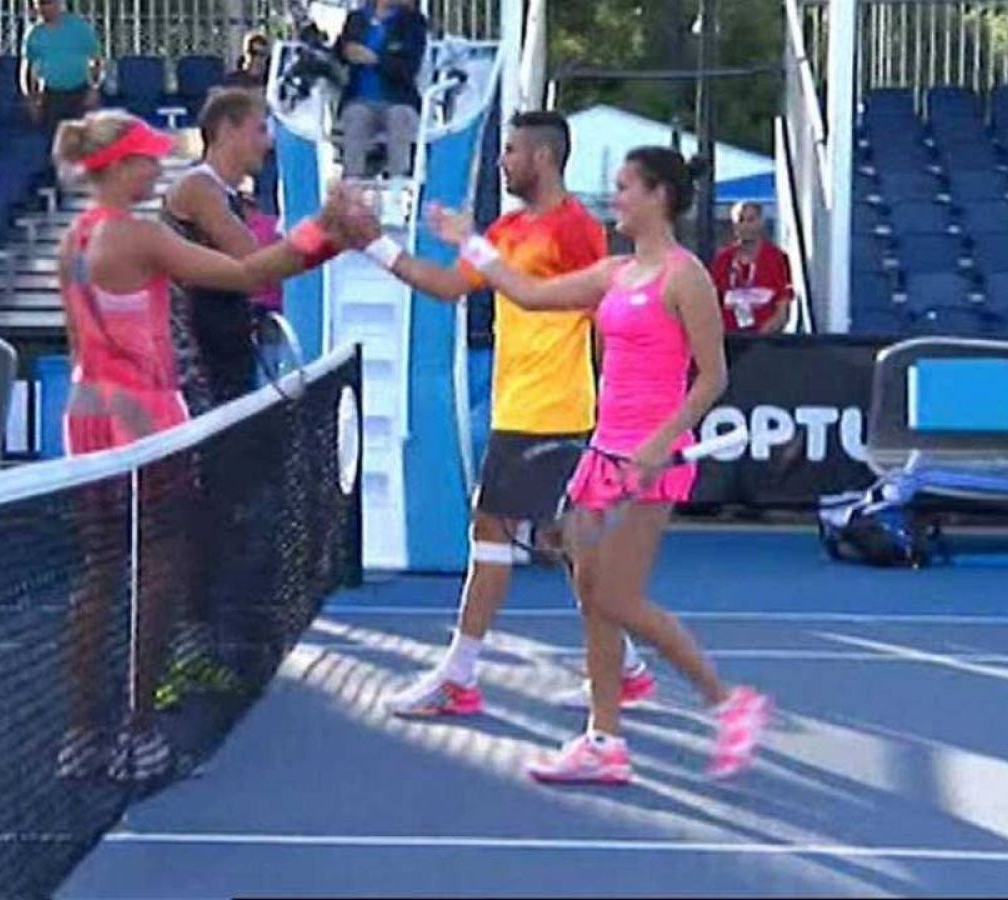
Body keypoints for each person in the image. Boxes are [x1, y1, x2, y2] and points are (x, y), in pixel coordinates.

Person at [425, 146, 771, 784]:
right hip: (603, 455)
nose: (615, 199)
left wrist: (663, 440)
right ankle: (603, 740)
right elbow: (527, 293)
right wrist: (469, 242)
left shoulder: (685, 275)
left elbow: (713, 376)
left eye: (624, 187)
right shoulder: (614, 272)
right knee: (591, 597)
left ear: (658, 196)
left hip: (650, 463)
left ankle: (729, 702)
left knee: (617, 596)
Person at [50, 109, 362, 782]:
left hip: (84, 417)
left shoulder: (73, 239)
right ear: (121, 167)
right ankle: (136, 731)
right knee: (159, 572)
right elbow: (251, 275)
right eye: (145, 160)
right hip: (145, 419)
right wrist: (328, 234)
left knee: (100, 574)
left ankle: (79, 735)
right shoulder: (140, 237)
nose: (156, 169)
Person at [353, 110, 657, 717]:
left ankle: (459, 677)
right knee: (566, 543)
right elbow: (447, 286)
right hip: (518, 405)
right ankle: (624, 667)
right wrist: (371, 243)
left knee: (490, 529)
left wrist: (616, 409)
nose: (503, 160)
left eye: (512, 150)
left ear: (542, 159)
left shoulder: (575, 230)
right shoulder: (510, 226)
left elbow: (589, 316)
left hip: (551, 412)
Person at [161, 87, 281, 412]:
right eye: (259, 129)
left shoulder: (229, 197)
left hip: (226, 353)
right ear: (228, 129)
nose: (268, 142)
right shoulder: (199, 188)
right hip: (197, 364)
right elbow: (254, 262)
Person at [335, 0, 426, 178]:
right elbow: (337, 54)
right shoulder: (357, 19)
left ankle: (398, 185)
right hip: (359, 98)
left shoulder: (413, 22)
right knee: (356, 116)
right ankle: (352, 184)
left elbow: (409, 67)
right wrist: (345, 52)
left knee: (399, 117)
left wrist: (375, 59)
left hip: (398, 99)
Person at [709, 201, 792, 334]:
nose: (745, 226)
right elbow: (711, 304)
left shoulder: (777, 258)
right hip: (729, 340)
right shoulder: (723, 259)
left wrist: (761, 337)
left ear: (761, 222)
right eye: (740, 220)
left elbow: (782, 310)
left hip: (765, 343)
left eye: (751, 220)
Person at [22, 0, 102, 132]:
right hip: (51, 96)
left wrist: (94, 88)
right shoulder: (34, 34)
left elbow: (97, 59)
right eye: (40, 3)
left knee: (84, 141)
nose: (44, 8)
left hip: (79, 93)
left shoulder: (79, 27)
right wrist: (31, 100)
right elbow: (27, 70)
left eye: (48, 3)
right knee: (56, 141)